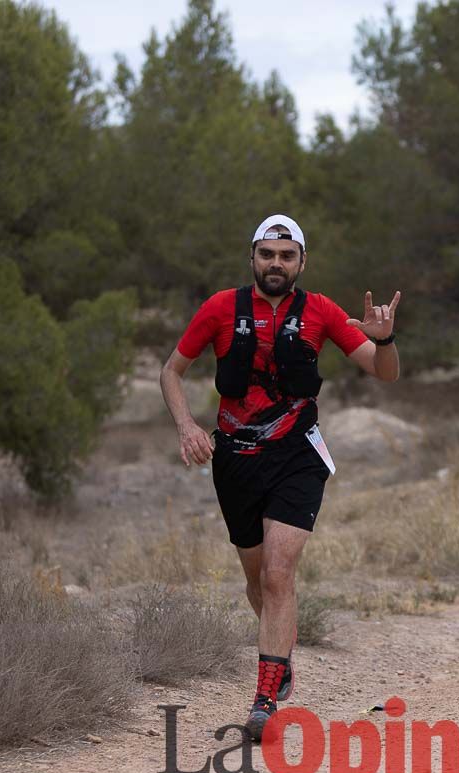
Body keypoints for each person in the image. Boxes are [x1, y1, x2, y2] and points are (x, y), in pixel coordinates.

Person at [159, 214, 401, 740]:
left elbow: (385, 373)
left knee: (277, 573)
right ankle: (280, 650)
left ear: (301, 262)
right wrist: (185, 425)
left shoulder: (322, 312)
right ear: (253, 257)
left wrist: (384, 340)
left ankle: (264, 699)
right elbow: (170, 370)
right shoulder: (220, 308)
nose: (276, 263)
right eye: (268, 254)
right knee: (255, 579)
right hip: (236, 459)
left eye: (286, 255)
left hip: (297, 456)